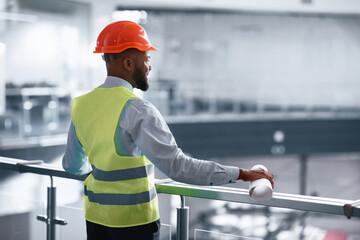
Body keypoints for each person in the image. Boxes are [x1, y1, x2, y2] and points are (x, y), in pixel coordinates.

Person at [62, 20, 275, 240]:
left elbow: (72, 166)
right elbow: (178, 167)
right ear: (127, 63)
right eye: (147, 59)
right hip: (134, 224)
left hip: (95, 220)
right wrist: (242, 174)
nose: (149, 67)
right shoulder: (138, 109)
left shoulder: (81, 104)